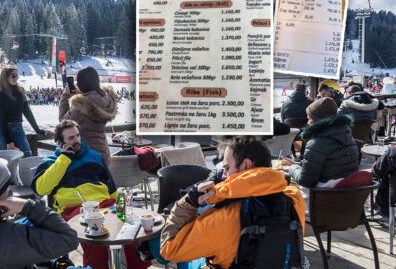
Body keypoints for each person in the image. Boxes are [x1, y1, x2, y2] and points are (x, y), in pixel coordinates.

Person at [160, 137, 306, 268]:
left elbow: (168, 250)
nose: (223, 176)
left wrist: (188, 202)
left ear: (246, 165)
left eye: (227, 168)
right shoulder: (295, 199)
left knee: (186, 258)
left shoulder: (222, 218)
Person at [32, 120, 149, 269]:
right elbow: (40, 189)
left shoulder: (94, 156)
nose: (76, 140)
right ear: (59, 143)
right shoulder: (51, 162)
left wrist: (119, 201)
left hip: (105, 203)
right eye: (70, 138)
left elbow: (110, 184)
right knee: (95, 235)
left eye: (77, 136)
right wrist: (64, 159)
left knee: (133, 226)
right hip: (74, 209)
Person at [280, 98, 359, 187]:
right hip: (349, 193)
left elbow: (305, 181)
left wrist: (292, 168)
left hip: (324, 196)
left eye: (309, 118)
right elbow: (329, 164)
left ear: (317, 120)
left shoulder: (316, 143)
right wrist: (298, 164)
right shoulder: (349, 137)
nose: (307, 122)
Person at [59, 66, 118, 168]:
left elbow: (63, 123)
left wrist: (65, 96)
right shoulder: (106, 98)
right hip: (103, 154)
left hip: (88, 158)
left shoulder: (80, 105)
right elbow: (93, 101)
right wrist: (82, 95)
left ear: (81, 84)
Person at [0, 65, 47, 157]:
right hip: (1, 131)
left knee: (27, 160)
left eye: (17, 76)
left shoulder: (20, 91)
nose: (16, 78)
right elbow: (2, 118)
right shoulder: (0, 94)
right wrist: (9, 141)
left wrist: (37, 129)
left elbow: (27, 111)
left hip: (18, 129)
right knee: (8, 164)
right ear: (5, 77)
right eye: (13, 76)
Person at [372, 146, 396, 221]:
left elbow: (377, 171)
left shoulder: (394, 152)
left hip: (392, 197)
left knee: (384, 175)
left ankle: (383, 210)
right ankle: (380, 205)